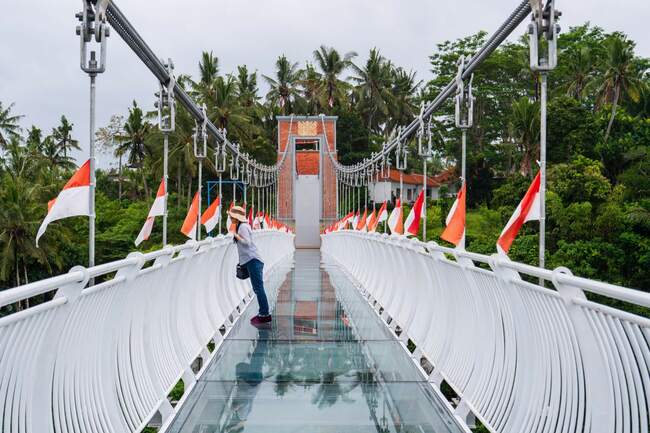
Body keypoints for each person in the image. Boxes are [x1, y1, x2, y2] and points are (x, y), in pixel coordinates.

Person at [229, 205, 272, 326]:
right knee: (258, 288)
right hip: (252, 260)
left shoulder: (242, 227)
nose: (230, 218)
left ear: (236, 217)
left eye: (231, 216)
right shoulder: (241, 226)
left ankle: (264, 314)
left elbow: (247, 243)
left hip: (253, 261)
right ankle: (263, 314)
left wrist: (236, 235)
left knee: (258, 288)